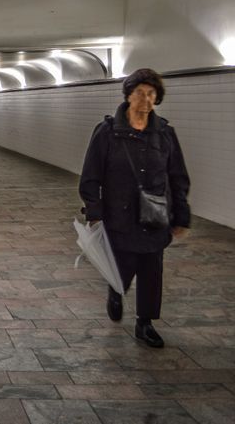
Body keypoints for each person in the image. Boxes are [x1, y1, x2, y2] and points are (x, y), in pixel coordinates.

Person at [79, 68, 191, 348]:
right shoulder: (107, 132)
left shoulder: (164, 133)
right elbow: (91, 175)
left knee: (152, 270)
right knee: (124, 265)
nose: (145, 99)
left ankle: (145, 323)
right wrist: (95, 212)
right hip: (119, 214)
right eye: (139, 92)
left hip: (154, 214)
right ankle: (116, 291)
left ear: (157, 99)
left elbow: (177, 176)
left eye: (151, 94)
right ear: (128, 95)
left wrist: (182, 215)